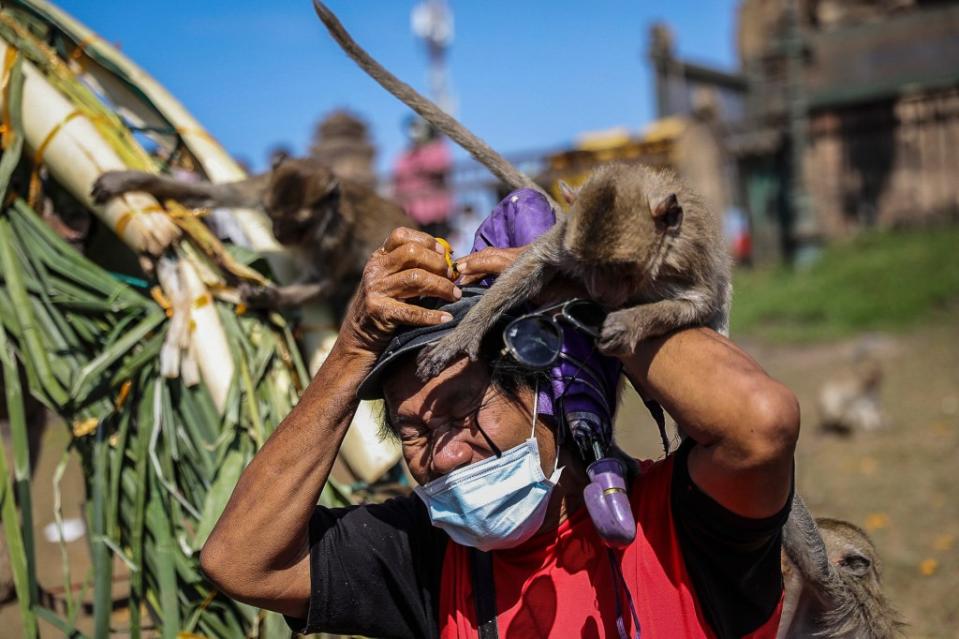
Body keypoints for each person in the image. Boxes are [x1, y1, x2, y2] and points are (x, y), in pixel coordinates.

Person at [200, 191, 799, 638]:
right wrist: (353, 349)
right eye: (412, 433)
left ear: (543, 391)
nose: (447, 453)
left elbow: (761, 423)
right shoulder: (431, 559)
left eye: (463, 411)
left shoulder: (678, 525)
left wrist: (575, 292)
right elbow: (240, 562)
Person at [392, 116, 454, 237]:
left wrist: (423, 154)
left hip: (435, 211)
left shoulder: (437, 148)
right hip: (412, 212)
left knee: (439, 244)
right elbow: (398, 175)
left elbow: (440, 165)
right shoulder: (405, 154)